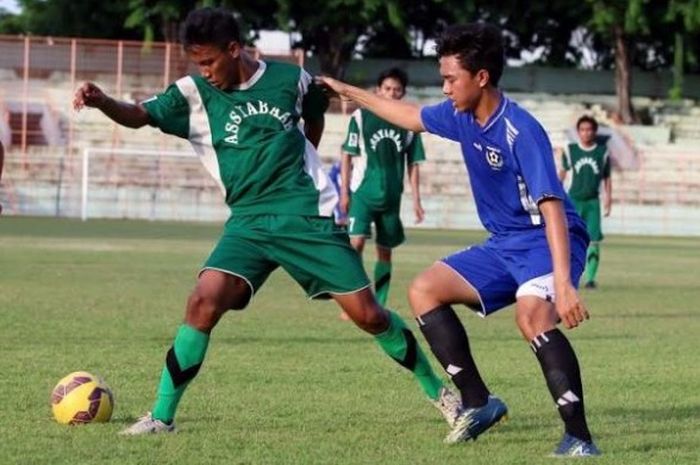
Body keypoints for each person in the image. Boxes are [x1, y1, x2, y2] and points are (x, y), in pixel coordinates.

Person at [72, 7, 460, 435]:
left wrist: (301, 162)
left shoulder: (289, 80)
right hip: (249, 222)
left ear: (233, 49)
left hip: (305, 214)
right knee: (203, 300)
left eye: (209, 61)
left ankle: (442, 393)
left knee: (368, 315)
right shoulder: (192, 94)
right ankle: (162, 416)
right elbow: (140, 116)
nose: (205, 71)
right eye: (197, 63)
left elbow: (314, 114)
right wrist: (101, 100)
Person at [319, 23, 600, 456]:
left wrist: (563, 283)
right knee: (424, 290)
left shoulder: (520, 130)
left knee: (532, 318)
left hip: (547, 240)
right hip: (503, 242)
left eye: (451, 78)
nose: (445, 88)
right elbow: (410, 116)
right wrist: (348, 92)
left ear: (481, 77)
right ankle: (479, 402)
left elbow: (552, 208)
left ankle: (579, 438)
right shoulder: (460, 116)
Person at [338, 67, 425, 315]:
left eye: (397, 90)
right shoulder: (361, 117)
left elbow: (414, 164)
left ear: (403, 93)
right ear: (378, 91)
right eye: (387, 88)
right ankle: (353, 302)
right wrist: (344, 192)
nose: (391, 93)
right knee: (355, 245)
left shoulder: (409, 122)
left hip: (391, 197)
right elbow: (347, 155)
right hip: (363, 192)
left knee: (384, 251)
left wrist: (416, 200)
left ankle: (380, 303)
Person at [559, 115, 612, 289]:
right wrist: (555, 194)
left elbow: (607, 177)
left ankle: (590, 279)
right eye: (582, 130)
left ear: (594, 132)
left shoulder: (602, 152)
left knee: (594, 240)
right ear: (578, 132)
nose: (586, 133)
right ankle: (567, 277)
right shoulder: (570, 150)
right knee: (568, 239)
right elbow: (563, 172)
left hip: (592, 203)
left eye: (589, 130)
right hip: (573, 201)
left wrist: (608, 199)